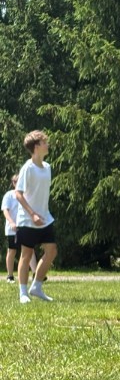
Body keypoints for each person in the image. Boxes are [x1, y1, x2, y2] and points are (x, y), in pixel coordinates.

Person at [14, 130, 56, 304]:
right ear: (36, 147)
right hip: (27, 220)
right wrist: (32, 214)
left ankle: (36, 287)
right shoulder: (27, 168)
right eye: (44, 142)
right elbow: (18, 194)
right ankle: (23, 293)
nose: (47, 144)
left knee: (52, 251)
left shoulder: (47, 167)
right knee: (26, 254)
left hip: (45, 218)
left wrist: (41, 214)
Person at [2, 174, 37, 283]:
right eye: (17, 181)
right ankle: (10, 276)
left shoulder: (26, 194)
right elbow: (5, 211)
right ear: (13, 183)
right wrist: (12, 222)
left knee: (29, 249)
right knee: (12, 251)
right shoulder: (9, 195)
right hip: (12, 228)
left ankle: (35, 274)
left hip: (25, 225)